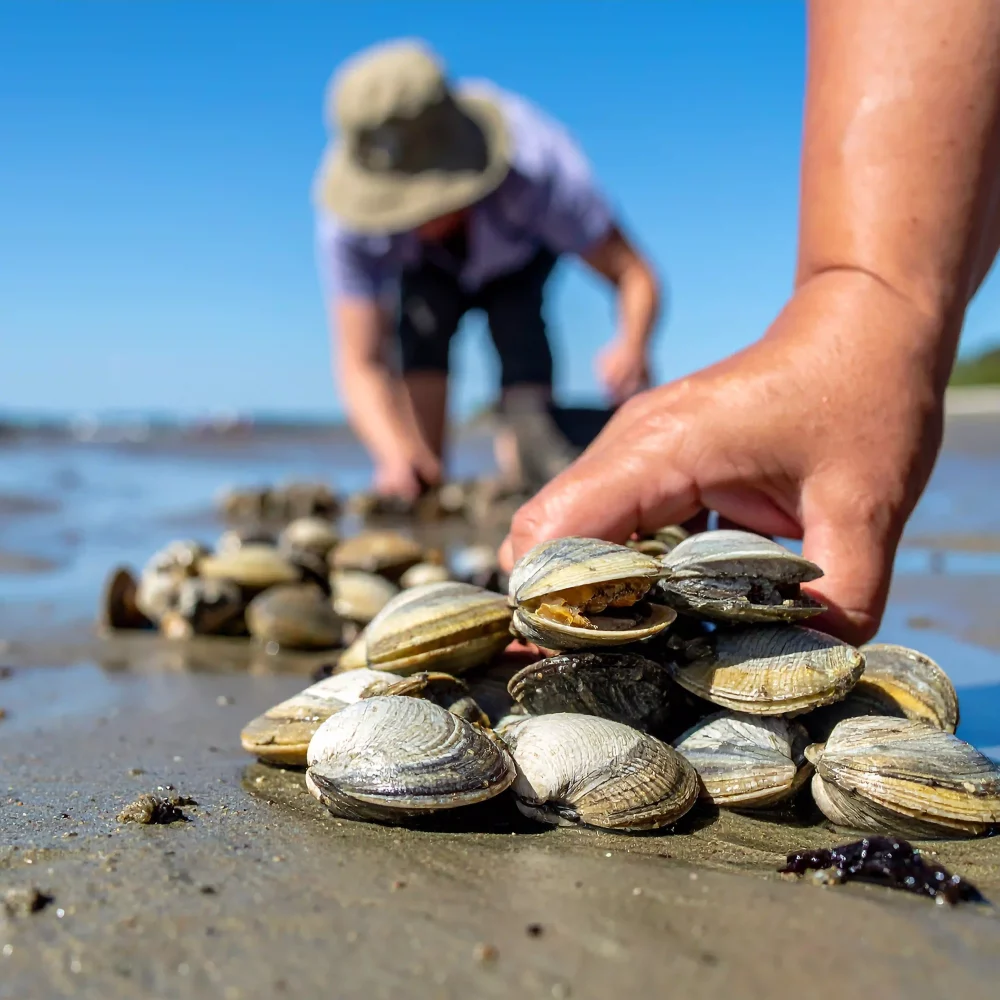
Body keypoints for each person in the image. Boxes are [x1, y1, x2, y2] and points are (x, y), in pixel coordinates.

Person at [503, 0, 1000, 646]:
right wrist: (876, 299)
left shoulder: (543, 170)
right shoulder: (367, 244)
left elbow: (635, 275)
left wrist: (871, 303)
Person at [313, 39, 661, 502]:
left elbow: (635, 275)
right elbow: (361, 361)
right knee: (421, 331)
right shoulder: (348, 225)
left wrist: (632, 344)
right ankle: (425, 478)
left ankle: (525, 476)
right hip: (422, 275)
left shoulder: (537, 165)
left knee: (521, 345)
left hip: (518, 261)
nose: (421, 216)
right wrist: (393, 453)